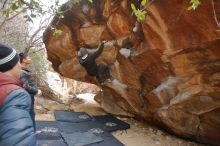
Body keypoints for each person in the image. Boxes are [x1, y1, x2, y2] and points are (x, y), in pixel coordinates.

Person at [0, 44, 37, 146]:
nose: (19, 66)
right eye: (17, 62)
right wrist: (36, 91)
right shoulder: (15, 95)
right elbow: (20, 140)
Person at [19, 52, 42, 130]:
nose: (30, 59)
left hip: (28, 96)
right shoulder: (21, 72)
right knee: (30, 114)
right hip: (26, 97)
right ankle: (31, 133)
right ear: (24, 60)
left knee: (30, 114)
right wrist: (36, 91)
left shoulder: (24, 70)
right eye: (28, 57)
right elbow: (25, 85)